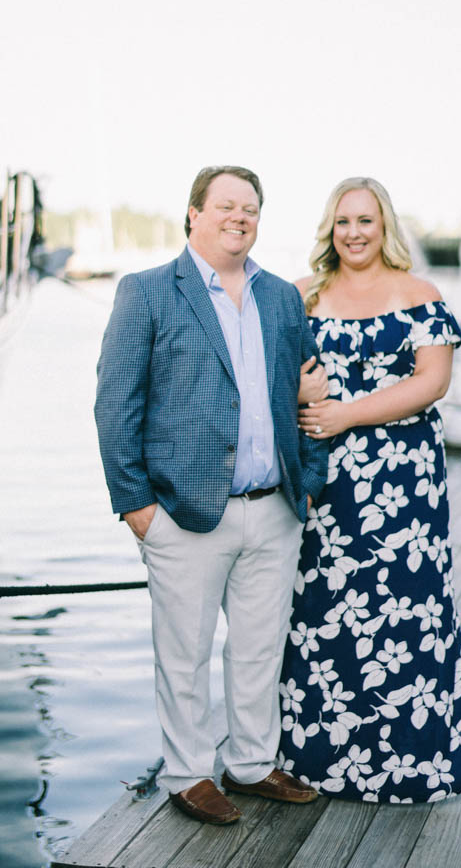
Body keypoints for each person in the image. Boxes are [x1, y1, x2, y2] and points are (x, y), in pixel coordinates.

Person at [94, 166, 329, 825]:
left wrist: (306, 483)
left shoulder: (282, 298)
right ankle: (188, 773)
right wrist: (136, 506)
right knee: (184, 652)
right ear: (193, 214)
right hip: (184, 513)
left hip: (274, 507)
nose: (240, 216)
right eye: (226, 205)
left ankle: (252, 764)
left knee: (258, 647)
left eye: (251, 207)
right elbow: (116, 405)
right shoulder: (146, 293)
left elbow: (309, 390)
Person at [278, 177, 461, 803]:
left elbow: (433, 381)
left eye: (365, 222)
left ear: (384, 227)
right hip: (324, 479)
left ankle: (414, 760)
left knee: (409, 606)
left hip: (403, 484)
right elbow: (269, 371)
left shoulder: (418, 295)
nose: (353, 233)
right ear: (330, 228)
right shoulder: (301, 296)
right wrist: (304, 396)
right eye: (343, 222)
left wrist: (348, 413)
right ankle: (319, 760)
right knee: (323, 612)